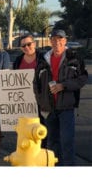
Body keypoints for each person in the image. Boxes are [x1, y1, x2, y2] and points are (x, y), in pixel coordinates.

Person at [34, 29, 88, 166]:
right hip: (49, 108)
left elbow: (82, 79)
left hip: (66, 107)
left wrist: (63, 85)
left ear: (65, 41)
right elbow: (36, 84)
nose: (57, 42)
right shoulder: (43, 60)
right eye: (54, 39)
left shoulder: (74, 58)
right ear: (50, 41)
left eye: (60, 39)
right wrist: (41, 102)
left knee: (67, 141)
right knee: (52, 142)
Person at [13, 34, 47, 148]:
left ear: (34, 44)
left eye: (29, 44)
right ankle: (26, 152)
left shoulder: (43, 58)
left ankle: (41, 154)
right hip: (23, 101)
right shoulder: (18, 60)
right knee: (24, 128)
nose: (27, 47)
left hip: (39, 100)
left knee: (40, 128)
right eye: (23, 46)